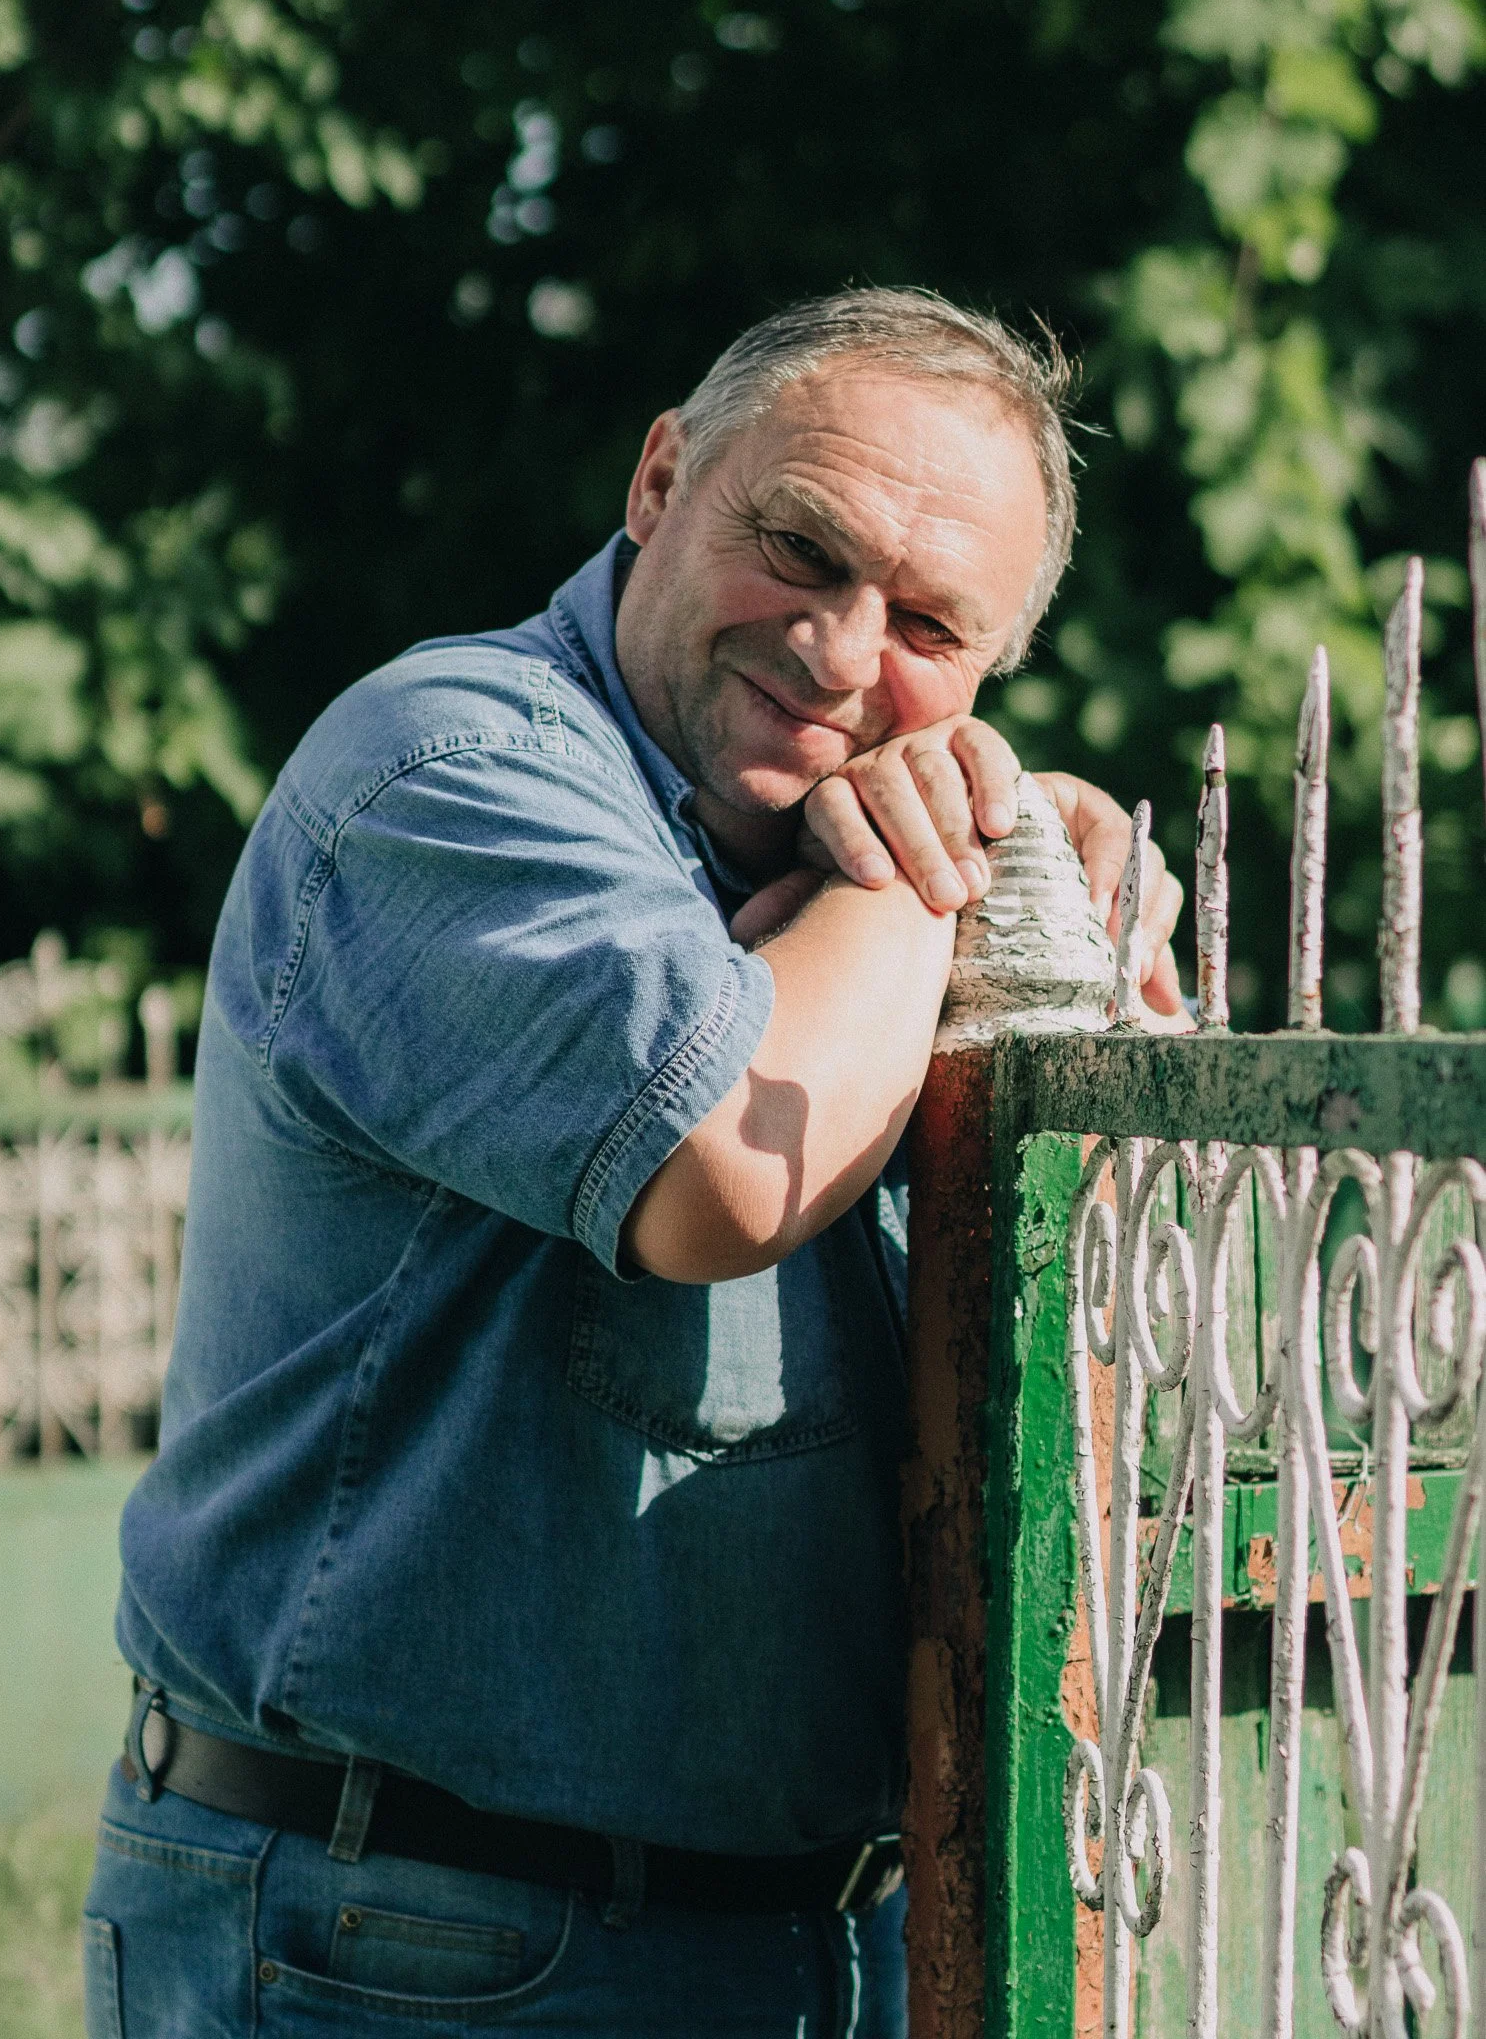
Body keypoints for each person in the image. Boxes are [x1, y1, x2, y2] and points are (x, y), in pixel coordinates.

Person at [82, 288, 1183, 2039]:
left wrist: (1038, 935)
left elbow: (1117, 1351)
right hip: (417, 1939)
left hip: (817, 1944)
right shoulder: (447, 765)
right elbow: (729, 1166)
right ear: (661, 479)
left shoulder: (829, 867)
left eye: (924, 622)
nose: (837, 648)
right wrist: (936, 861)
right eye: (800, 547)